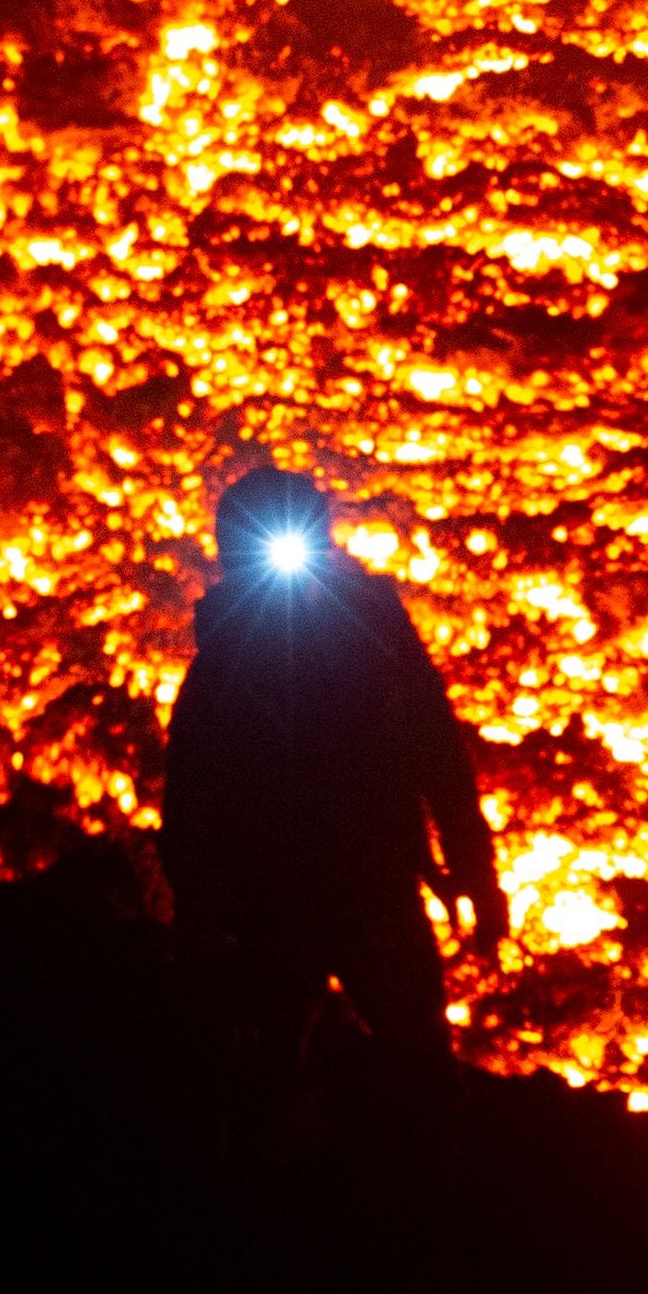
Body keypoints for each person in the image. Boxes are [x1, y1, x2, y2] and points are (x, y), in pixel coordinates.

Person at [162, 466, 505, 1107]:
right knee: (273, 1080)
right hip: (288, 900)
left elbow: (434, 744)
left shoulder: (368, 632)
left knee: (410, 1076)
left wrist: (474, 870)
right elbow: (195, 792)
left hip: (358, 889)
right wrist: (204, 917)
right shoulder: (233, 658)